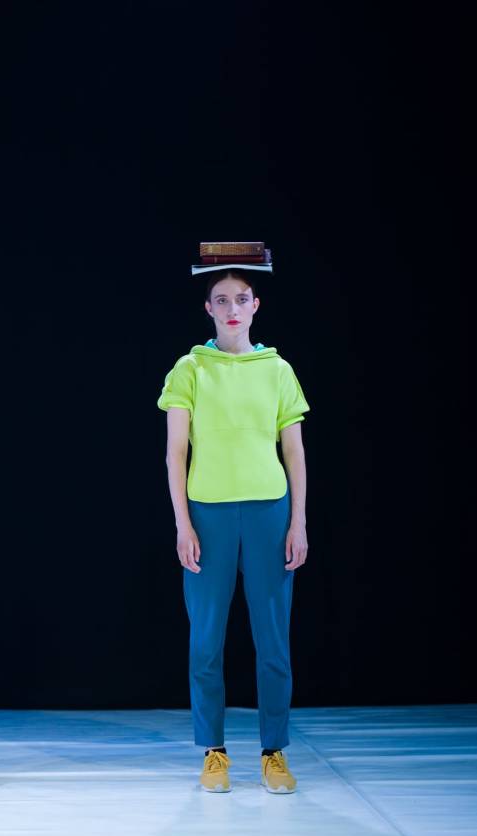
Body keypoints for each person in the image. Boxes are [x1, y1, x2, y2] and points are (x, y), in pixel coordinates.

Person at [158, 258, 309, 795]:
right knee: (206, 640)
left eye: (240, 299)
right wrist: (182, 523)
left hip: (269, 511)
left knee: (273, 641)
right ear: (208, 308)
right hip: (208, 514)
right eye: (221, 300)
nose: (231, 309)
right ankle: (213, 751)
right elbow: (176, 453)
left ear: (255, 306)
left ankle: (274, 752)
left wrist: (298, 521)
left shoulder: (277, 369)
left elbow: (294, 452)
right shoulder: (189, 368)